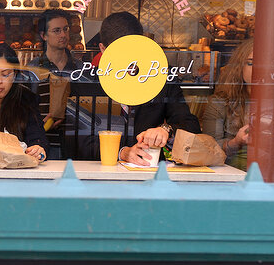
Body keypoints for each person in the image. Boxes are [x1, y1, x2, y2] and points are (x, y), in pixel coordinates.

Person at [85, 10, 201, 165]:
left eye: (133, 50)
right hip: (98, 172)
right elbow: (78, 139)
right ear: (103, 49)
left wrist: (165, 130)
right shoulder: (88, 82)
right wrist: (122, 152)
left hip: (147, 170)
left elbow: (190, 125)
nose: (128, 60)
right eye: (120, 52)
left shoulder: (160, 75)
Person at [201, 39, 253, 170]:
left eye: (265, 64)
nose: (258, 69)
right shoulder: (220, 102)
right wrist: (236, 143)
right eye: (251, 63)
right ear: (240, 66)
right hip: (230, 178)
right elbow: (209, 150)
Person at [31, 10, 81, 75]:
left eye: (65, 29)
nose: (63, 35)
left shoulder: (81, 68)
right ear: (43, 36)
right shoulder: (32, 69)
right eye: (57, 31)